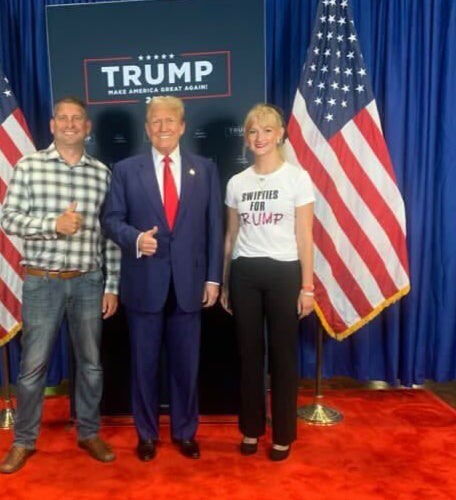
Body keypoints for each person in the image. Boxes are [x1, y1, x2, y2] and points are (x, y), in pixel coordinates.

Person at [0, 96, 120, 473]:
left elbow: (109, 235)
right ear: (52, 125)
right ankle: (23, 441)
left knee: (91, 365)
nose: (70, 124)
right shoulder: (29, 166)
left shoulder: (101, 173)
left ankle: (88, 432)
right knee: (33, 367)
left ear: (88, 127)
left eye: (77, 119)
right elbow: (9, 219)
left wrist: (111, 283)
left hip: (88, 281)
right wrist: (53, 225)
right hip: (42, 282)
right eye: (63, 118)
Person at [102, 96, 223, 461]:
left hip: (190, 286)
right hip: (144, 285)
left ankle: (186, 432)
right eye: (156, 121)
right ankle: (147, 435)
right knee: (145, 365)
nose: (163, 127)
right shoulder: (125, 170)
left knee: (186, 366)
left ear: (183, 126)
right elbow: (110, 221)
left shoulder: (205, 170)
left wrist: (214, 280)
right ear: (146, 128)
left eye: (170, 121)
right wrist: (136, 239)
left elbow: (215, 228)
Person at [220, 103, 315, 461]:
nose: (259, 138)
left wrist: (307, 287)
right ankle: (251, 429)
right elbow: (231, 237)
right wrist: (227, 283)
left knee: (283, 357)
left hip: (285, 273)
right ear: (246, 139)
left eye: (266, 131)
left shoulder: (296, 178)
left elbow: (305, 236)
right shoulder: (236, 183)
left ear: (280, 135)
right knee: (248, 356)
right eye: (253, 132)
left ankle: (283, 434)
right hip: (245, 273)